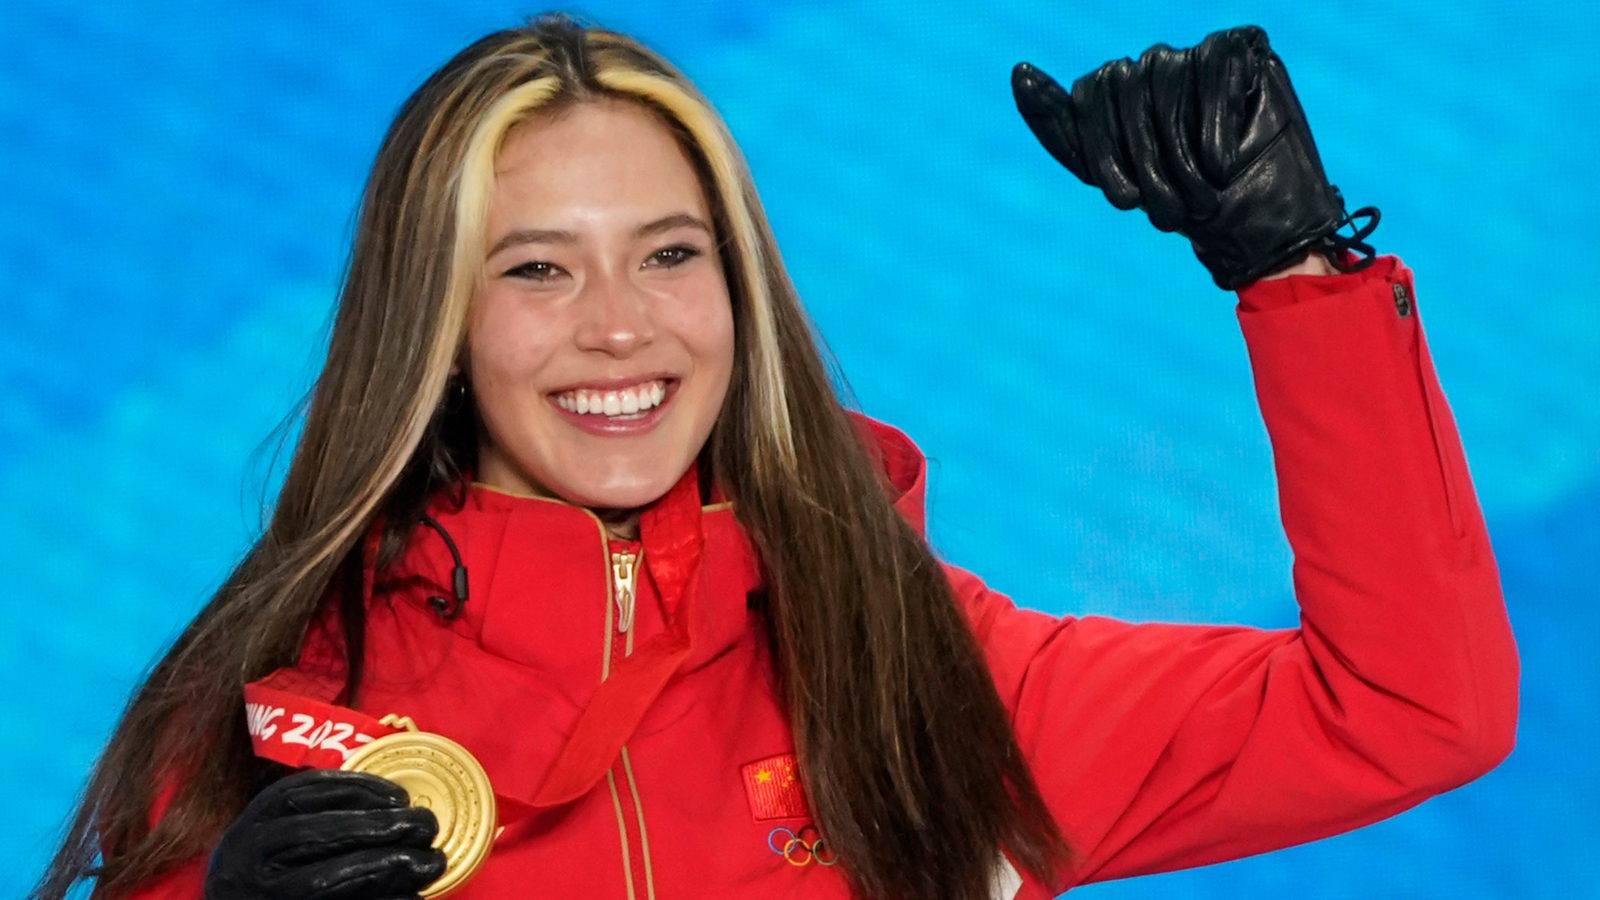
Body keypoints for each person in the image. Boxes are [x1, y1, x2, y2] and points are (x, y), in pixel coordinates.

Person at [34, 13, 1518, 900]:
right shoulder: (289, 719)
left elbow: (1411, 710)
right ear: (437, 322)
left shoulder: (919, 683)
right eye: (537, 269)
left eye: (670, 254)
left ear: (737, 291)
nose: (621, 326)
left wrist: (1297, 273)